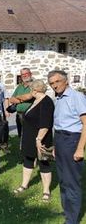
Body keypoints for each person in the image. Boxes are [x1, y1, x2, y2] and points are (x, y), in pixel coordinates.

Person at [48, 70, 86, 224]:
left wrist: (79, 148)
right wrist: (56, 146)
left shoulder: (77, 97)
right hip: (60, 140)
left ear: (66, 81)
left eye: (57, 82)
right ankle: (67, 211)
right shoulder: (58, 98)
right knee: (63, 180)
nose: (55, 86)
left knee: (72, 182)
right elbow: (58, 124)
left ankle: (72, 220)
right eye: (51, 83)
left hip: (72, 141)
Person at [13, 80, 54, 202]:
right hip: (29, 138)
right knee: (28, 160)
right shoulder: (35, 100)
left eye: (31, 89)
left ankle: (46, 191)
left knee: (44, 163)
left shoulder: (46, 102)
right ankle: (24, 185)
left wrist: (39, 139)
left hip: (41, 139)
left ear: (35, 90)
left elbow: (46, 124)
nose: (31, 92)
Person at [9, 68, 33, 140]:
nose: (25, 76)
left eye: (26, 74)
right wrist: (22, 100)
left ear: (30, 74)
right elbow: (11, 99)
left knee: (30, 136)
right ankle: (22, 150)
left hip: (30, 115)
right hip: (19, 115)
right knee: (21, 136)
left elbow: (29, 96)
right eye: (23, 74)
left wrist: (18, 98)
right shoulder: (19, 87)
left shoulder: (35, 85)